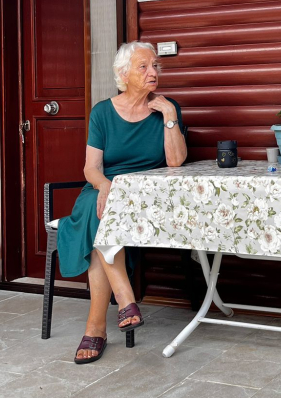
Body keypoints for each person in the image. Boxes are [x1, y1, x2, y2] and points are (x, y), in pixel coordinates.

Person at [58, 41, 187, 364]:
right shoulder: (103, 112)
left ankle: (98, 327)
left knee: (100, 218)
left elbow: (175, 161)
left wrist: (170, 115)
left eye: (155, 65)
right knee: (99, 209)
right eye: (143, 67)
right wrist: (105, 185)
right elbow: (91, 168)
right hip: (104, 189)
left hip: (143, 195)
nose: (152, 72)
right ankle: (124, 299)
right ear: (123, 74)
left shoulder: (166, 108)